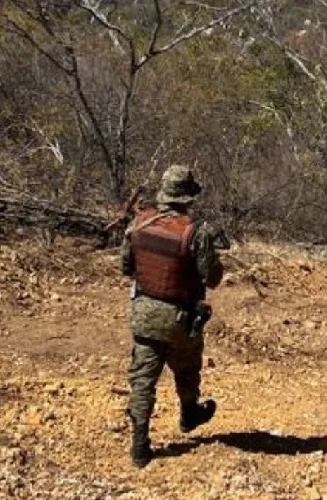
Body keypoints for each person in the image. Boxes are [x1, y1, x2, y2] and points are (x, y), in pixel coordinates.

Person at [121, 164, 224, 468]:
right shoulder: (195, 233)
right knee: (188, 367)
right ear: (188, 197)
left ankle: (140, 446)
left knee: (142, 380)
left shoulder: (139, 224)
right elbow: (213, 277)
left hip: (144, 314)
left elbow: (126, 267)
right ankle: (189, 412)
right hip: (180, 318)